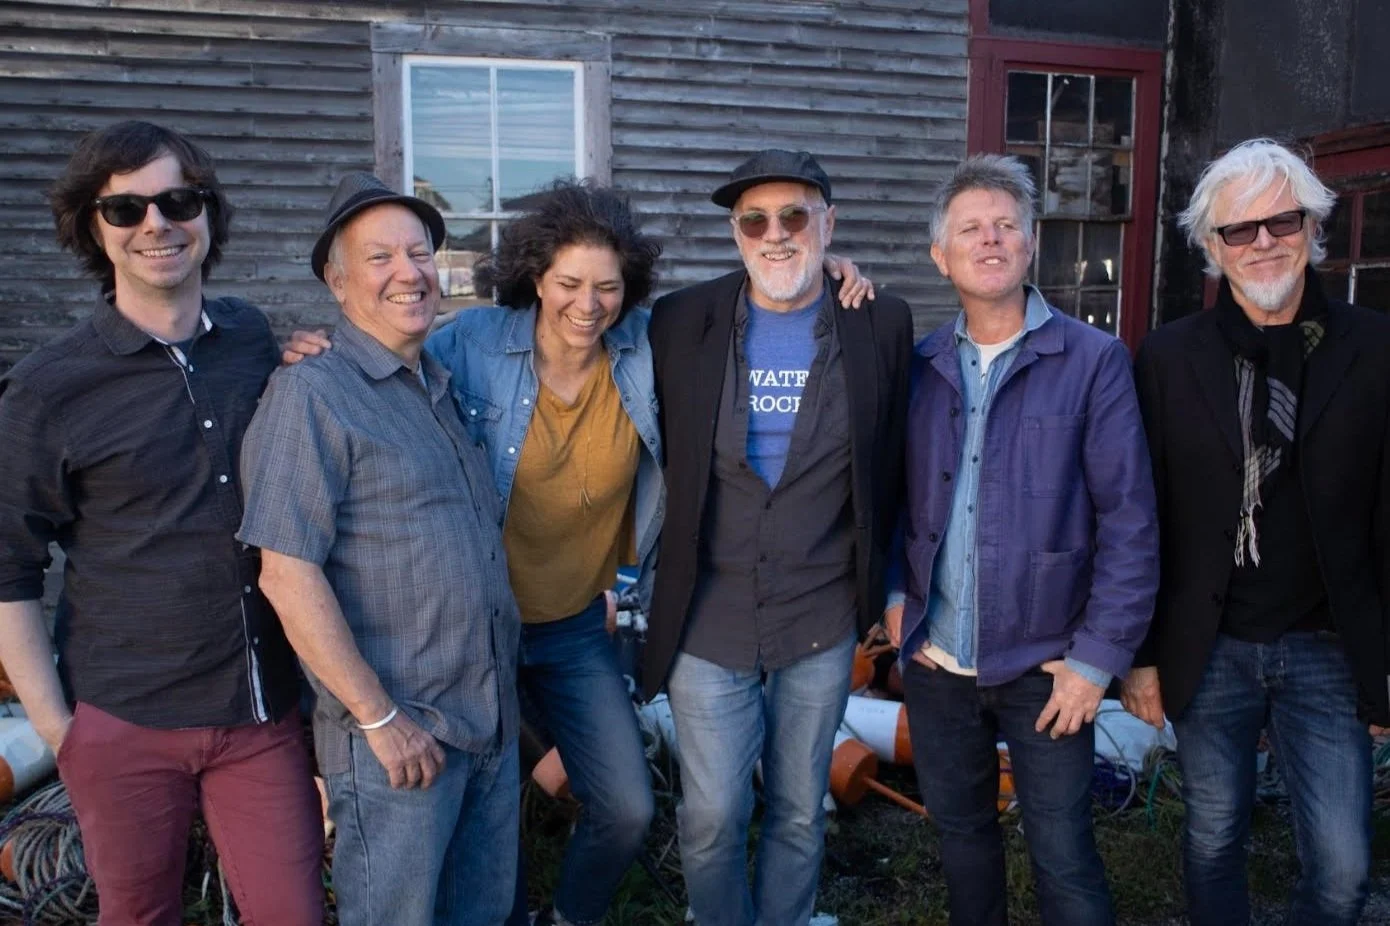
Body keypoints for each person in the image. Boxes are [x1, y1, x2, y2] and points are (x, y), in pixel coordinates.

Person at [284, 178, 876, 926]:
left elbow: (751, 299)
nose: (588, 305)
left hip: (574, 627)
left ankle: (570, 916)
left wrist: (825, 267)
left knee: (627, 806)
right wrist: (317, 347)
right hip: (478, 630)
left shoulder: (649, 347)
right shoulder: (471, 345)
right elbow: (380, 352)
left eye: (607, 286)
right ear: (537, 278)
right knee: (486, 810)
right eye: (568, 284)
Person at [0, 120, 323, 926]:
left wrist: (312, 368)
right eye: (126, 208)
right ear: (93, 227)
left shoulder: (250, 338)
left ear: (206, 213)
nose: (156, 224)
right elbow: (9, 568)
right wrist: (60, 732)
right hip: (124, 722)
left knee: (292, 914)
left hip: (259, 714)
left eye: (179, 201)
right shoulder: (48, 389)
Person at [238, 172, 520, 926]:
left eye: (420, 253)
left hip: (485, 727)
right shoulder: (312, 394)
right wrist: (378, 718)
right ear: (337, 284)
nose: (408, 272)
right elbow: (287, 575)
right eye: (379, 258)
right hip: (400, 740)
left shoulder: (439, 386)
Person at [1122, 138, 1390, 926]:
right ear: (1213, 247)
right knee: (1212, 838)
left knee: (1343, 869)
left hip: (1330, 645)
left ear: (1313, 228)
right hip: (1211, 645)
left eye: (1283, 221)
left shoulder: (1375, 349)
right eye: (1240, 229)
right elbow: (1142, 514)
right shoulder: (1168, 357)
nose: (1263, 241)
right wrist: (1140, 655)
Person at [886, 153, 1158, 926]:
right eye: (971, 228)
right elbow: (890, 498)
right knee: (963, 839)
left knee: (1064, 854)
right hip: (938, 663)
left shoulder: (1093, 362)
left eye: (1006, 225)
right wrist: (894, 596)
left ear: (1031, 243)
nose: (991, 239)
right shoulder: (921, 368)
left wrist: (1096, 662)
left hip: (1048, 666)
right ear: (941, 256)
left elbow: (1130, 522)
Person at [643, 149, 914, 926]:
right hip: (708, 614)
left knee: (799, 808)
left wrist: (893, 589)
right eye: (754, 220)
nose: (776, 234)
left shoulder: (880, 322)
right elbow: (574, 325)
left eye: (795, 216)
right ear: (736, 234)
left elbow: (897, 462)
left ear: (828, 224)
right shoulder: (679, 320)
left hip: (820, 616)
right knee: (712, 816)